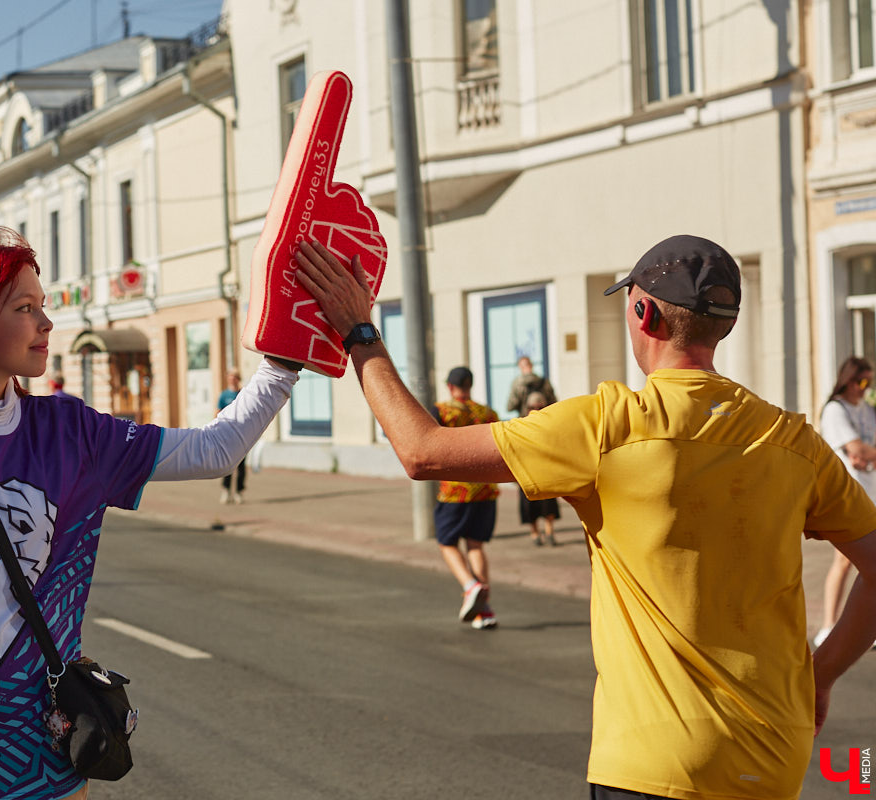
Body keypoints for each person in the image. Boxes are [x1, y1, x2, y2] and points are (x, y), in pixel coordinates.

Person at [294, 234, 876, 800]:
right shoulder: (793, 441)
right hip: (774, 758)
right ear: (724, 323)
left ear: (643, 313)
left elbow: (422, 451)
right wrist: (821, 675)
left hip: (654, 762)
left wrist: (359, 330)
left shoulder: (608, 425)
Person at [0, 229, 302, 800]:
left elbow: (214, 449)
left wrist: (283, 362)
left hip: (43, 762)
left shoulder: (74, 433)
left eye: (42, 306)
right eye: (24, 309)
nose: (46, 323)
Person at [431, 366, 500, 629]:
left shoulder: (442, 411)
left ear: (450, 386)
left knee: (446, 542)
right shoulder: (487, 413)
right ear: (470, 385)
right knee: (476, 546)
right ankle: (485, 611)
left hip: (455, 491)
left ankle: (470, 586)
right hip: (486, 489)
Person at [814, 356, 876, 649]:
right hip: (848, 495)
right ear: (849, 380)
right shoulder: (835, 410)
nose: (865, 389)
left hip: (871, 491)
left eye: (869, 383)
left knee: (864, 562)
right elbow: (856, 449)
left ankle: (852, 627)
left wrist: (867, 453)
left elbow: (866, 451)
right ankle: (828, 625)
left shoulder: (866, 409)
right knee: (845, 560)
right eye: (862, 382)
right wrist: (863, 452)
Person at [517, 391, 561, 546]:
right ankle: (534, 532)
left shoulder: (551, 423)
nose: (536, 408)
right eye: (532, 406)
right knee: (530, 506)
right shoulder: (520, 423)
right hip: (527, 470)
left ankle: (549, 532)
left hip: (546, 470)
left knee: (548, 505)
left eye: (540, 406)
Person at [217, 369, 247, 503]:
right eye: (230, 376)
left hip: (242, 435)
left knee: (241, 466)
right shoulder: (224, 395)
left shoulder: (243, 394)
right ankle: (226, 490)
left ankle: (239, 492)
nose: (232, 379)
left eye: (235, 376)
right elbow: (218, 412)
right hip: (228, 434)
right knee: (228, 464)